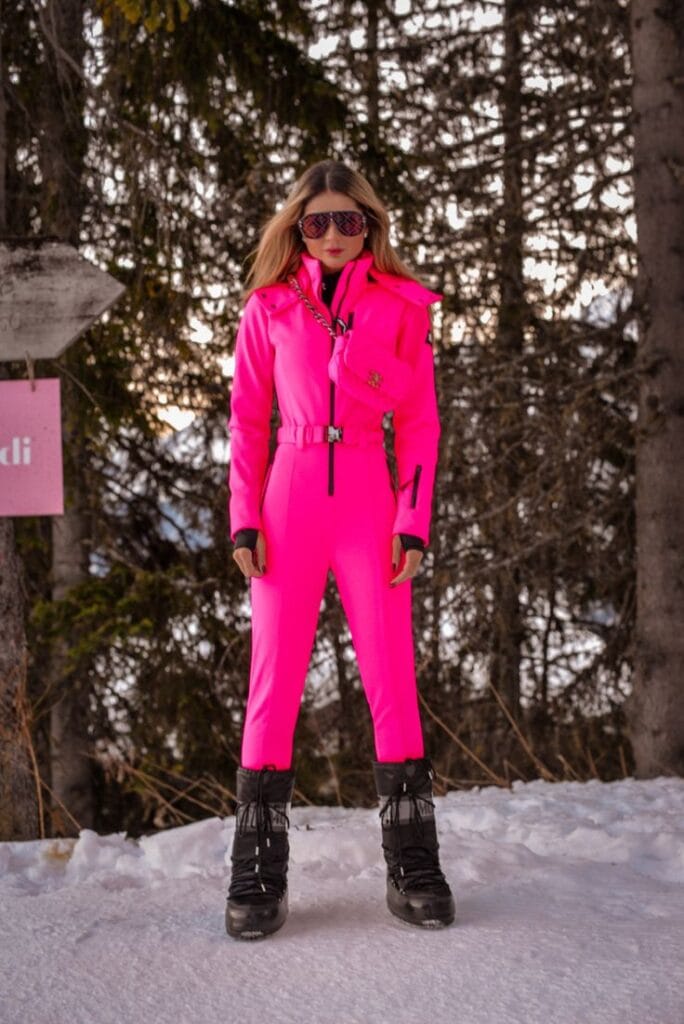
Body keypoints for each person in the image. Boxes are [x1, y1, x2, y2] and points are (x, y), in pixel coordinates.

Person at [225, 159, 455, 939]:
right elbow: (246, 420)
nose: (331, 233)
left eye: (346, 220)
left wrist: (412, 521)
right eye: (317, 220)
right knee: (272, 684)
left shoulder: (398, 306)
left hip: (367, 494)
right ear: (298, 228)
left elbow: (418, 423)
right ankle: (257, 873)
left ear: (368, 227)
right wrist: (244, 519)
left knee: (392, 676)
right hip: (288, 495)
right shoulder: (268, 308)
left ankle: (413, 864)